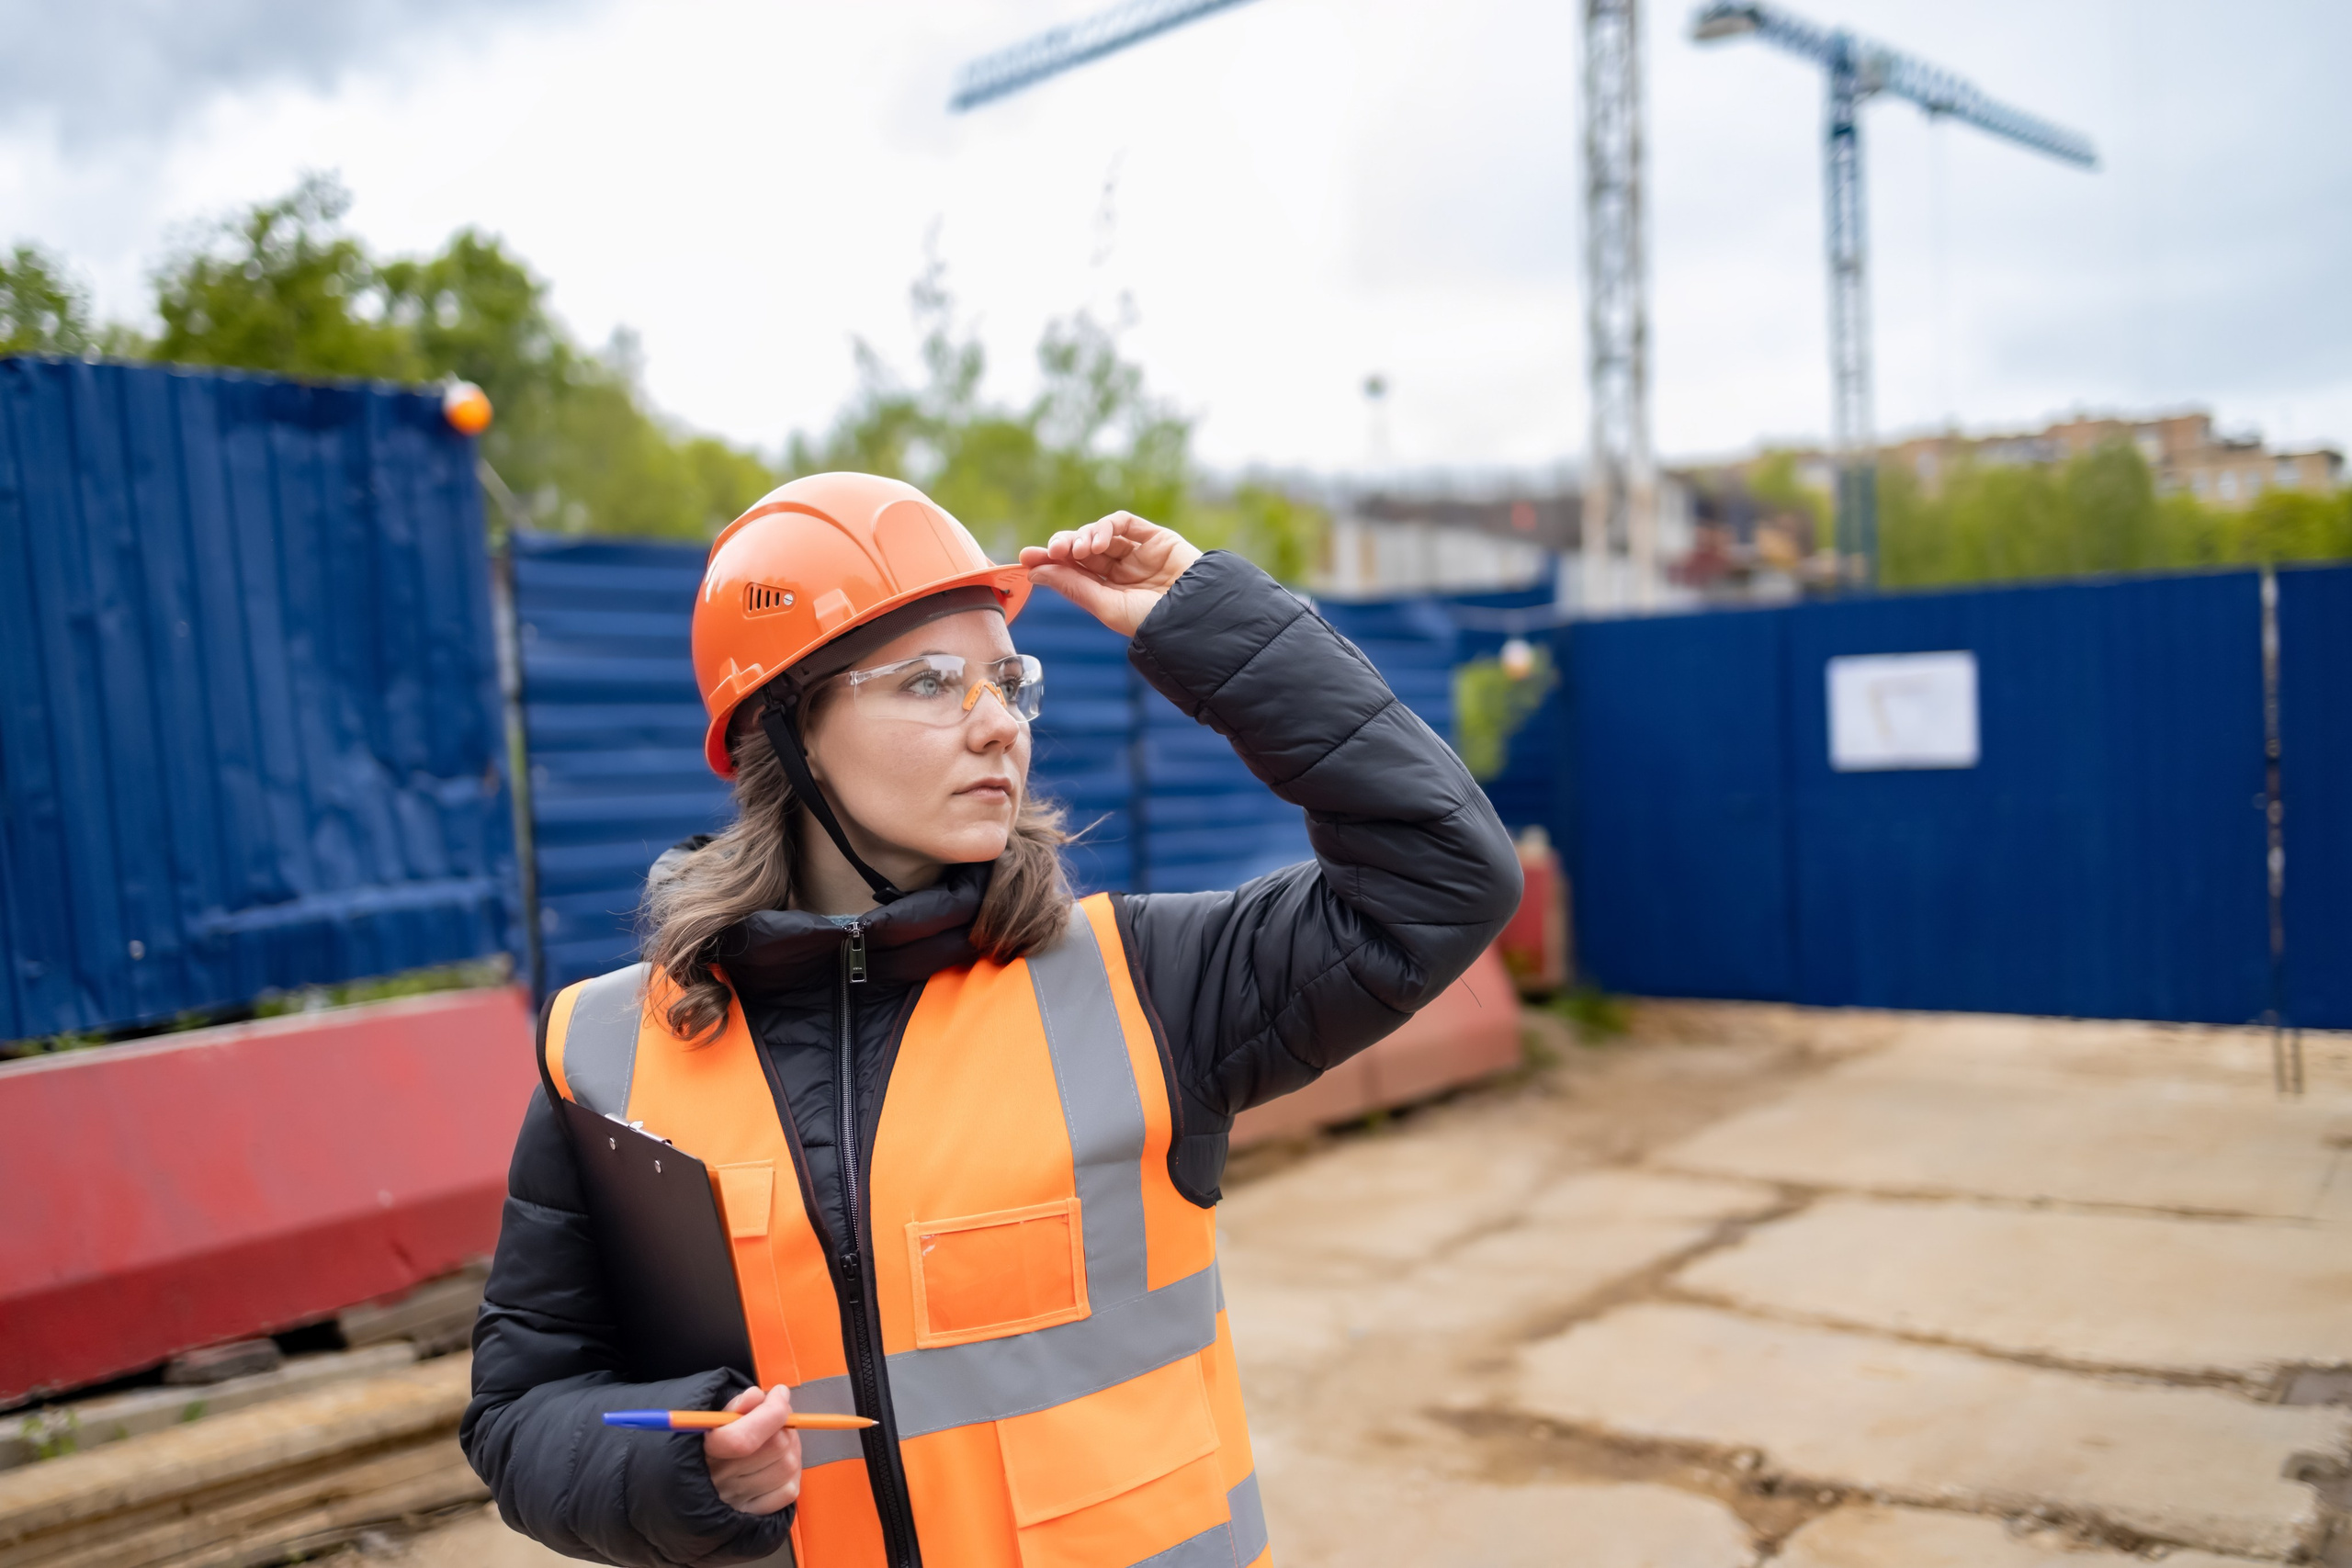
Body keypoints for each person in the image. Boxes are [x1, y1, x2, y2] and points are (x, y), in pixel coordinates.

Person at [461, 471, 1520, 1567]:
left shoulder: (1146, 985)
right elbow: (522, 1412)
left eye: (1008, 682)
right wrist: (680, 1472)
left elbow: (1443, 876)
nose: (998, 726)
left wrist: (1206, 619)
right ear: (789, 728)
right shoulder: (609, 1052)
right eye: (930, 682)